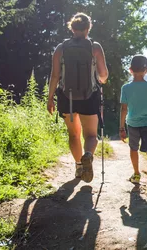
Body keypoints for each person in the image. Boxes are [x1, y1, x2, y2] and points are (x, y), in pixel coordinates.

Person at [47, 13, 108, 183]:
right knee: (90, 135)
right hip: (90, 96)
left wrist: (50, 98)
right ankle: (88, 155)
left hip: (67, 97)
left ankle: (79, 166)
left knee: (74, 135)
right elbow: (103, 75)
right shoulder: (94, 47)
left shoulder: (61, 48)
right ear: (88, 28)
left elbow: (54, 76)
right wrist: (101, 80)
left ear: (72, 28)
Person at [119, 55, 147, 198]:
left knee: (133, 148)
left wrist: (121, 127)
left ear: (130, 70)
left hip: (132, 123)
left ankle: (137, 174)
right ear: (146, 70)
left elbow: (123, 109)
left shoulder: (126, 88)